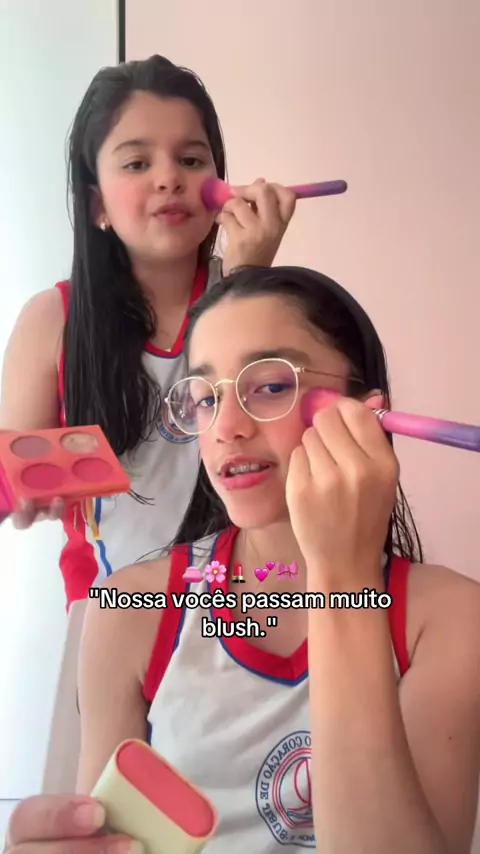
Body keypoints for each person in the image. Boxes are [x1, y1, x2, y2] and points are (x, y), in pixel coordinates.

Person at [6, 266, 480, 854]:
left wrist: (344, 576)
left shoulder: (449, 619)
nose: (226, 427)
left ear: (366, 414)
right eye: (205, 398)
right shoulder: (131, 613)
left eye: (272, 386)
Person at [0, 54, 296, 608]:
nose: (169, 178)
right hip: (111, 615)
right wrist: (28, 491)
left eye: (191, 159)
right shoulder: (52, 321)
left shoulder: (258, 298)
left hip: (244, 608)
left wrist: (250, 278)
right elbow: (16, 472)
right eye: (137, 163)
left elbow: (273, 450)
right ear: (97, 203)